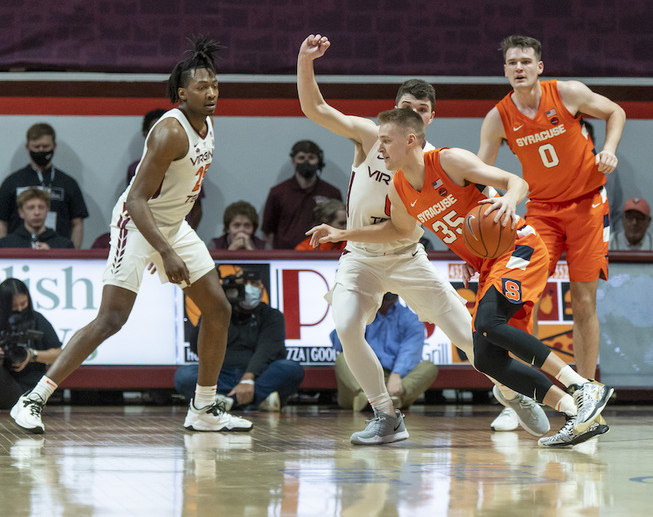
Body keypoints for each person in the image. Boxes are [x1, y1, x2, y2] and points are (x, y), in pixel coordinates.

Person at [298, 34, 550, 446]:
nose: (411, 114)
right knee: (345, 325)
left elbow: (468, 204)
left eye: (421, 110)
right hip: (360, 257)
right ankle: (385, 414)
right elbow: (316, 108)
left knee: (469, 338)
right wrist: (305, 61)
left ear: (429, 119)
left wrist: (503, 207)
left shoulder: (439, 161)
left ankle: (510, 391)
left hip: (406, 255)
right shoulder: (370, 136)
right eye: (406, 107)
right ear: (394, 109)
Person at [310, 107, 614, 447]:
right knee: (485, 357)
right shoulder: (399, 187)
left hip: (519, 246)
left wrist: (511, 201)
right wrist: (343, 235)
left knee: (488, 322)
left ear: (410, 140)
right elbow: (397, 229)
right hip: (488, 264)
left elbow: (516, 181)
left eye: (385, 141)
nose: (378, 149)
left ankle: (582, 385)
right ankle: (577, 413)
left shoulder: (449, 161)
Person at [11, 36, 252, 434]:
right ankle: (33, 398)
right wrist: (166, 252)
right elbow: (137, 201)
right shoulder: (169, 134)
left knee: (219, 310)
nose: (211, 93)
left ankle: (203, 409)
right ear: (181, 93)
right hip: (137, 224)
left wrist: (173, 241)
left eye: (214, 85)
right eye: (201, 87)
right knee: (111, 319)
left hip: (173, 225)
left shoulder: (207, 123)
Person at [478, 35, 626, 395]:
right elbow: (480, 172)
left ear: (539, 67)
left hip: (587, 204)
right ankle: (522, 391)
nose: (519, 68)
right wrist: (495, 202)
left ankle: (589, 388)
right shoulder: (498, 117)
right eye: (512, 63)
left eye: (526, 61)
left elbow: (615, 111)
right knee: (520, 300)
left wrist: (608, 149)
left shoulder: (567, 93)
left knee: (583, 299)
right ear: (505, 70)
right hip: (542, 212)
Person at [174, 268, 304, 411]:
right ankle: (257, 400)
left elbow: (266, 351)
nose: (249, 289)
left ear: (261, 289)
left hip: (258, 376)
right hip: (219, 375)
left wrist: (248, 379)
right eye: (243, 284)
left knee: (291, 368)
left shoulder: (271, 315)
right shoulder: (217, 313)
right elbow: (197, 347)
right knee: (184, 375)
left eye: (254, 284)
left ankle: (225, 401)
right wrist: (211, 306)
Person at [330, 292, 438, 411]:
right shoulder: (360, 313)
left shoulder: (411, 319)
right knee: (342, 358)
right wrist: (353, 314)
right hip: (362, 376)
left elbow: (410, 351)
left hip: (392, 379)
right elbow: (339, 344)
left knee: (429, 367)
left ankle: (385, 399)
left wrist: (397, 374)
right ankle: (376, 398)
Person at [0, 122, 89, 248]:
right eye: (36, 147)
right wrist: (4, 251)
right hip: (17, 251)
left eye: (45, 146)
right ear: (27, 147)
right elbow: (2, 221)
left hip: (58, 249)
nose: (41, 150)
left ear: (54, 146)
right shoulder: (12, 182)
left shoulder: (68, 183)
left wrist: (72, 255)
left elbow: (77, 222)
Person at [128, 109, 205, 230]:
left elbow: (197, 206)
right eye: (156, 130)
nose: (162, 136)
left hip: (180, 228)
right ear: (146, 134)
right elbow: (134, 202)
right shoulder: (135, 169)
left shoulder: (191, 163)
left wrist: (190, 230)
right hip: (149, 231)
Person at [260, 140, 342, 249]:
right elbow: (267, 232)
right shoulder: (278, 192)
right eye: (301, 158)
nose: (306, 162)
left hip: (322, 256)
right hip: (286, 256)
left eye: (311, 158)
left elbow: (341, 228)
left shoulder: (331, 192)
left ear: (318, 160)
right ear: (293, 161)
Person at [0, 278, 62, 409]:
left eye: (23, 303)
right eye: (13, 306)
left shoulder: (37, 319)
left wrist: (31, 355)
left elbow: (59, 355)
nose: (20, 309)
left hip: (29, 390)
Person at [0, 188, 74, 249]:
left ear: (47, 210)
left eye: (41, 207)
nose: (37, 212)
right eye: (31, 208)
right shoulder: (5, 245)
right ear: (21, 212)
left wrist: (52, 254)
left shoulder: (65, 246)